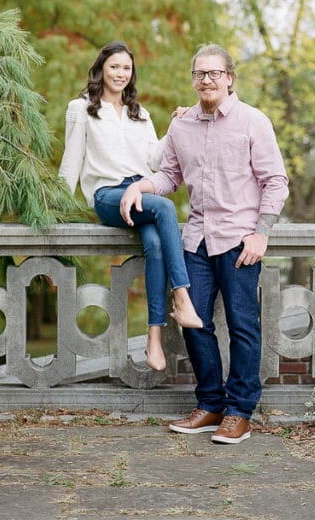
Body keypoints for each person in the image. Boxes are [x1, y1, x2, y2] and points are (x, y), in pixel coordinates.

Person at [120, 43, 289, 445]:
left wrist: (261, 231)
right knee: (193, 321)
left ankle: (239, 412)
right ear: (193, 79)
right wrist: (140, 186)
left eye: (214, 73)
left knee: (243, 326)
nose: (206, 80)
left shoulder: (253, 122)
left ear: (230, 78)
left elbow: (276, 182)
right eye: (199, 74)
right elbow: (169, 178)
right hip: (196, 239)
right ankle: (211, 404)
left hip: (239, 240)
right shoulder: (182, 126)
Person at [58, 40, 202, 371]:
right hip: (107, 194)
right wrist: (58, 207)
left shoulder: (141, 114)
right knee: (165, 209)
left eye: (126, 68)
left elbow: (154, 159)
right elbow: (71, 161)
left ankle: (153, 338)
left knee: (154, 242)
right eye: (114, 67)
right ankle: (182, 298)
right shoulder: (81, 108)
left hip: (138, 191)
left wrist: (175, 127)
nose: (121, 73)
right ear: (100, 69)